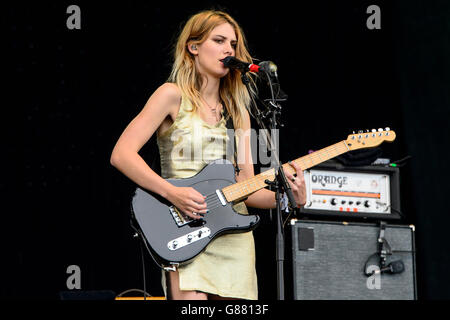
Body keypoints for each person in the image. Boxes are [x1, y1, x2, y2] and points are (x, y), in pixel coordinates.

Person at [110, 10, 306, 300]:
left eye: (233, 43)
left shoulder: (238, 112)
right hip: (186, 229)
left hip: (233, 238)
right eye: (219, 40)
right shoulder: (171, 95)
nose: (229, 49)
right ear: (194, 47)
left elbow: (247, 190)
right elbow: (122, 154)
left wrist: (287, 195)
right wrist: (172, 193)